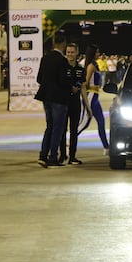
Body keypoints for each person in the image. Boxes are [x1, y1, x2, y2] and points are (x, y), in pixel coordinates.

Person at [34, 33, 73, 168]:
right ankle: (53, 158)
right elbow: (63, 80)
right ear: (63, 44)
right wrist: (71, 87)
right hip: (59, 99)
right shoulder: (62, 60)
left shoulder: (45, 58)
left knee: (49, 126)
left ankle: (43, 155)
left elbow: (39, 79)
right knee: (58, 128)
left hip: (46, 97)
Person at [60, 42, 87, 165]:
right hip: (63, 102)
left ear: (77, 53)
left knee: (74, 130)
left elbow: (82, 86)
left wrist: (88, 106)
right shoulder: (61, 67)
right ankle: (62, 155)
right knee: (62, 130)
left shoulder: (81, 69)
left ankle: (72, 156)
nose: (70, 55)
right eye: (68, 52)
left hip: (75, 103)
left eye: (72, 52)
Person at [81, 43, 110, 154]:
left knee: (101, 121)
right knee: (84, 123)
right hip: (91, 96)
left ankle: (106, 147)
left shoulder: (94, 64)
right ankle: (67, 144)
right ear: (92, 53)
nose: (99, 54)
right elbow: (86, 82)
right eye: (97, 52)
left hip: (95, 96)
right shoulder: (91, 66)